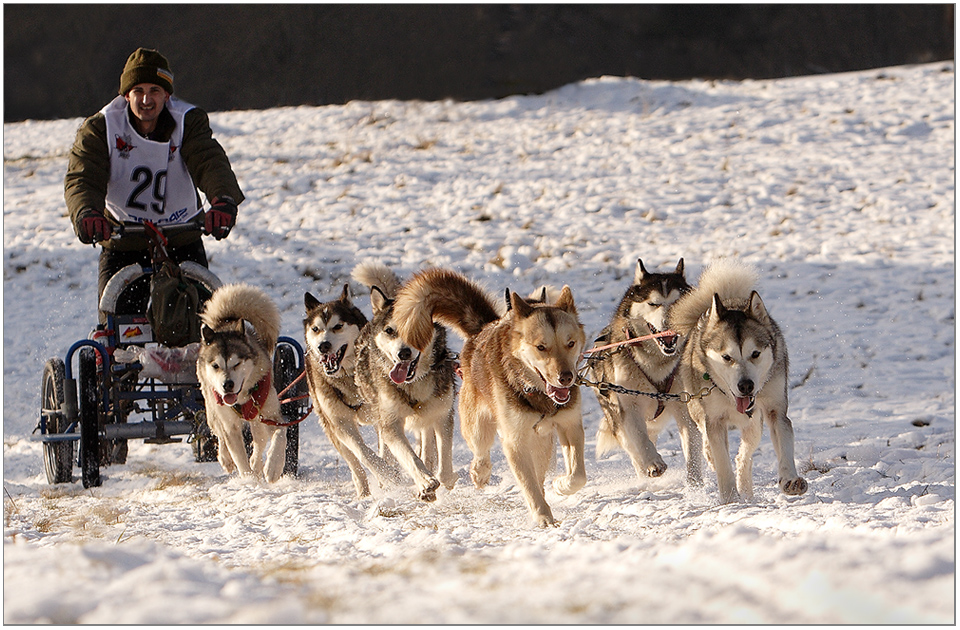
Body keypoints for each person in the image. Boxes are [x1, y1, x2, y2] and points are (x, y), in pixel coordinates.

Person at [64, 48, 244, 320]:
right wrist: (87, 213)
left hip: (182, 236)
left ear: (167, 95)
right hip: (123, 240)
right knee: (118, 327)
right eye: (138, 91)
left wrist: (223, 200)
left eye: (155, 91)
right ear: (126, 95)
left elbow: (208, 159)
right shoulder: (101, 128)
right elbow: (84, 176)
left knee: (201, 323)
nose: (146, 100)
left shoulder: (187, 121)